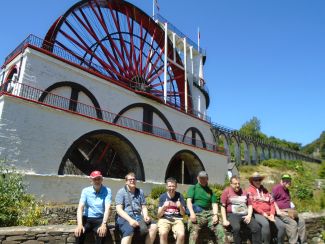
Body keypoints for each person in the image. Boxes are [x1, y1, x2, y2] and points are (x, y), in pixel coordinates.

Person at [115, 172, 158, 244]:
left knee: (154, 226)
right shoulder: (121, 192)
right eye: (130, 179)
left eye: (134, 179)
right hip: (125, 217)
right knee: (129, 231)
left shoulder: (140, 192)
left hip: (138, 217)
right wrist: (130, 220)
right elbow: (119, 209)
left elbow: (143, 207)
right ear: (126, 182)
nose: (132, 181)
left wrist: (146, 216)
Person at [187, 171, 226, 244]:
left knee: (220, 229)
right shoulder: (193, 188)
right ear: (197, 178)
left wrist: (215, 215)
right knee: (194, 230)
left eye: (204, 178)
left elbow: (214, 204)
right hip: (198, 214)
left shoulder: (210, 191)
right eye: (201, 178)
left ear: (207, 179)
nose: (203, 180)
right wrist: (192, 213)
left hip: (209, 214)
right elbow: (189, 201)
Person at [221, 175, 262, 244]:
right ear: (231, 184)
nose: (237, 185)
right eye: (235, 184)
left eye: (238, 183)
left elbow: (250, 205)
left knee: (257, 228)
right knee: (236, 228)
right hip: (233, 214)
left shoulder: (244, 192)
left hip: (245, 214)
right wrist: (224, 220)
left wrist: (249, 215)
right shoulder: (226, 192)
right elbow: (222, 207)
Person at [247, 172, 285, 244]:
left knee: (282, 226)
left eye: (259, 180)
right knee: (265, 224)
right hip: (258, 213)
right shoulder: (249, 191)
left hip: (269, 213)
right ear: (252, 181)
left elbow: (272, 202)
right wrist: (264, 213)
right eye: (256, 180)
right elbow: (253, 205)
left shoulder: (265, 190)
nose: (258, 181)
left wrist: (272, 214)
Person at [74, 170, 112, 244]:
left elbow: (107, 208)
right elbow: (80, 208)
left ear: (102, 179)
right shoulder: (85, 191)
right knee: (78, 233)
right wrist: (79, 224)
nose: (97, 181)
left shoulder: (107, 190)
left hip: (100, 219)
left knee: (102, 234)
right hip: (87, 219)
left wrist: (104, 224)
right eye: (95, 179)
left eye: (99, 179)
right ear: (91, 180)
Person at [272, 174, 307, 244]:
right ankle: (294, 242)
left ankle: (303, 242)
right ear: (281, 181)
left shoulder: (287, 190)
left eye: (289, 181)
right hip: (280, 211)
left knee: (301, 221)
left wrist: (293, 209)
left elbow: (288, 201)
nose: (288, 182)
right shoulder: (277, 188)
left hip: (289, 210)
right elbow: (272, 200)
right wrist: (278, 210)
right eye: (285, 181)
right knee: (293, 223)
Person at [157, 177, 186, 244]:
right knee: (163, 233)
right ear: (166, 187)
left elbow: (183, 214)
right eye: (169, 186)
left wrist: (180, 206)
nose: (171, 188)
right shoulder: (163, 197)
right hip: (164, 219)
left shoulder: (180, 196)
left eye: (173, 186)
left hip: (177, 219)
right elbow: (158, 215)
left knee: (181, 235)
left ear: (176, 186)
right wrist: (164, 207)